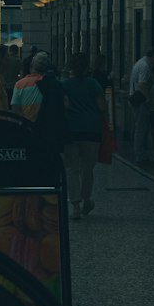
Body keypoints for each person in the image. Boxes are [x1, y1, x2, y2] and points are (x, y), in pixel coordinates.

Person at [60, 51, 108, 220]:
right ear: (87, 66)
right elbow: (102, 107)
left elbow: (64, 107)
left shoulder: (64, 85)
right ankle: (86, 199)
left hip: (71, 131)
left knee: (72, 169)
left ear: (71, 66)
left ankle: (75, 207)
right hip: (91, 130)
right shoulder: (94, 84)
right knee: (87, 169)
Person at [10, 51, 67, 145]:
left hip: (26, 127)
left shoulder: (20, 84)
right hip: (48, 129)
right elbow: (65, 105)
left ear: (31, 67)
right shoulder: (53, 84)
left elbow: (15, 109)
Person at [129, 46, 154, 163]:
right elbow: (142, 85)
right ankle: (140, 155)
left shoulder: (141, 63)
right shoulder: (145, 67)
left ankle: (139, 152)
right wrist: (148, 101)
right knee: (141, 129)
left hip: (135, 100)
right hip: (141, 102)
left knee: (139, 128)